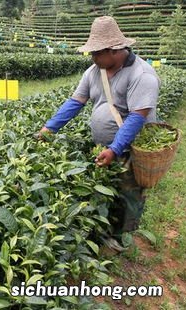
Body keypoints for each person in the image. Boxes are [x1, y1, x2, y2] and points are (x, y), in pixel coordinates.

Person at [38, 16, 161, 238]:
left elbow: (136, 117)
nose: (93, 57)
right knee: (109, 192)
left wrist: (115, 149)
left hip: (129, 148)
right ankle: (109, 232)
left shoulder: (141, 75)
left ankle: (125, 237)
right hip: (105, 147)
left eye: (97, 52)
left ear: (114, 49)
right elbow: (75, 102)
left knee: (129, 194)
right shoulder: (93, 72)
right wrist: (49, 128)